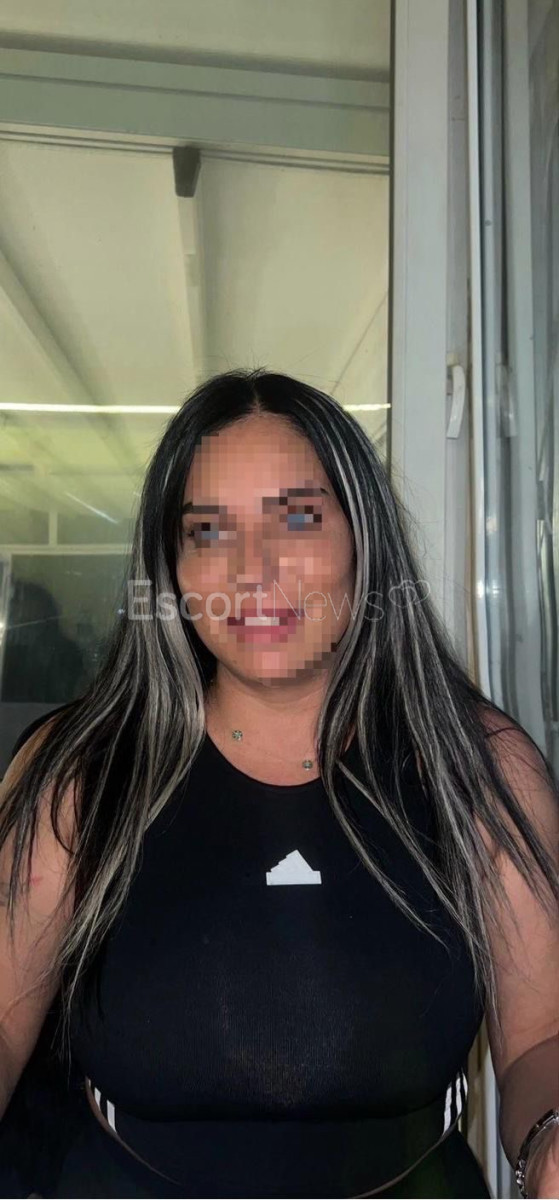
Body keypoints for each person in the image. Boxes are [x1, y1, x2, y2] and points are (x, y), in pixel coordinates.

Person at [0, 368, 557, 1199]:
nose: (251, 570)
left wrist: (549, 1136)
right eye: (208, 531)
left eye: (296, 518)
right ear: (171, 566)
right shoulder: (80, 771)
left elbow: (539, 1036)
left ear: (364, 540)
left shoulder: (476, 767)